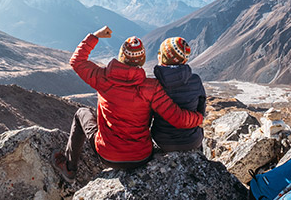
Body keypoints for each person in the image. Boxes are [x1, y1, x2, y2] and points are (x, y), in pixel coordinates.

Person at [51, 26, 204, 182]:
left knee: (81, 113)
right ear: (143, 60)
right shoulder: (151, 87)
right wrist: (198, 118)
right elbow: (177, 118)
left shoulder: (102, 78)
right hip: (142, 157)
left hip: (107, 156)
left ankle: (69, 169)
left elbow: (77, 61)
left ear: (121, 57)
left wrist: (95, 36)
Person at [151, 37, 206, 152]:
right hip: (192, 140)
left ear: (163, 57)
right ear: (184, 60)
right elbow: (201, 110)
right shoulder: (195, 80)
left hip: (162, 140)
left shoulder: (154, 84)